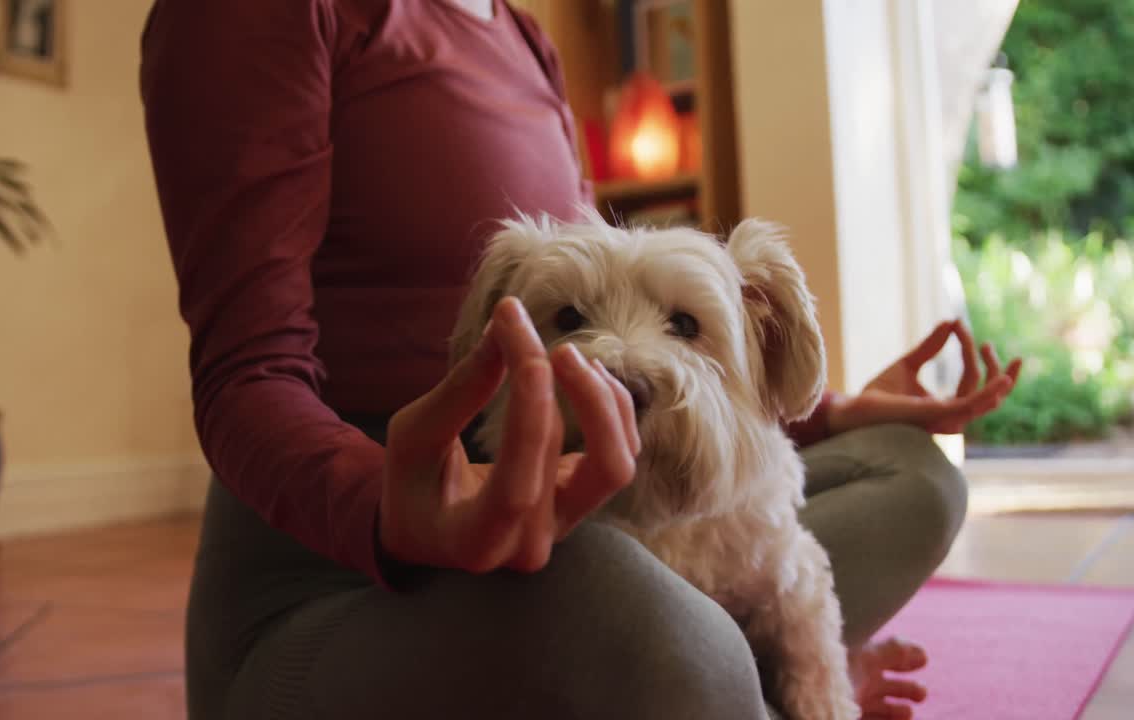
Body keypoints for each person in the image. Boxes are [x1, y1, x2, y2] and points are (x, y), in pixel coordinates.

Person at [139, 1, 1021, 718]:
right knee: (633, 607)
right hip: (346, 582)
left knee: (915, 477)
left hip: (560, 497)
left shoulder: (523, 38)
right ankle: (722, 675)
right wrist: (395, 508)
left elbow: (613, 308)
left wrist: (815, 405)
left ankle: (717, 679)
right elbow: (243, 381)